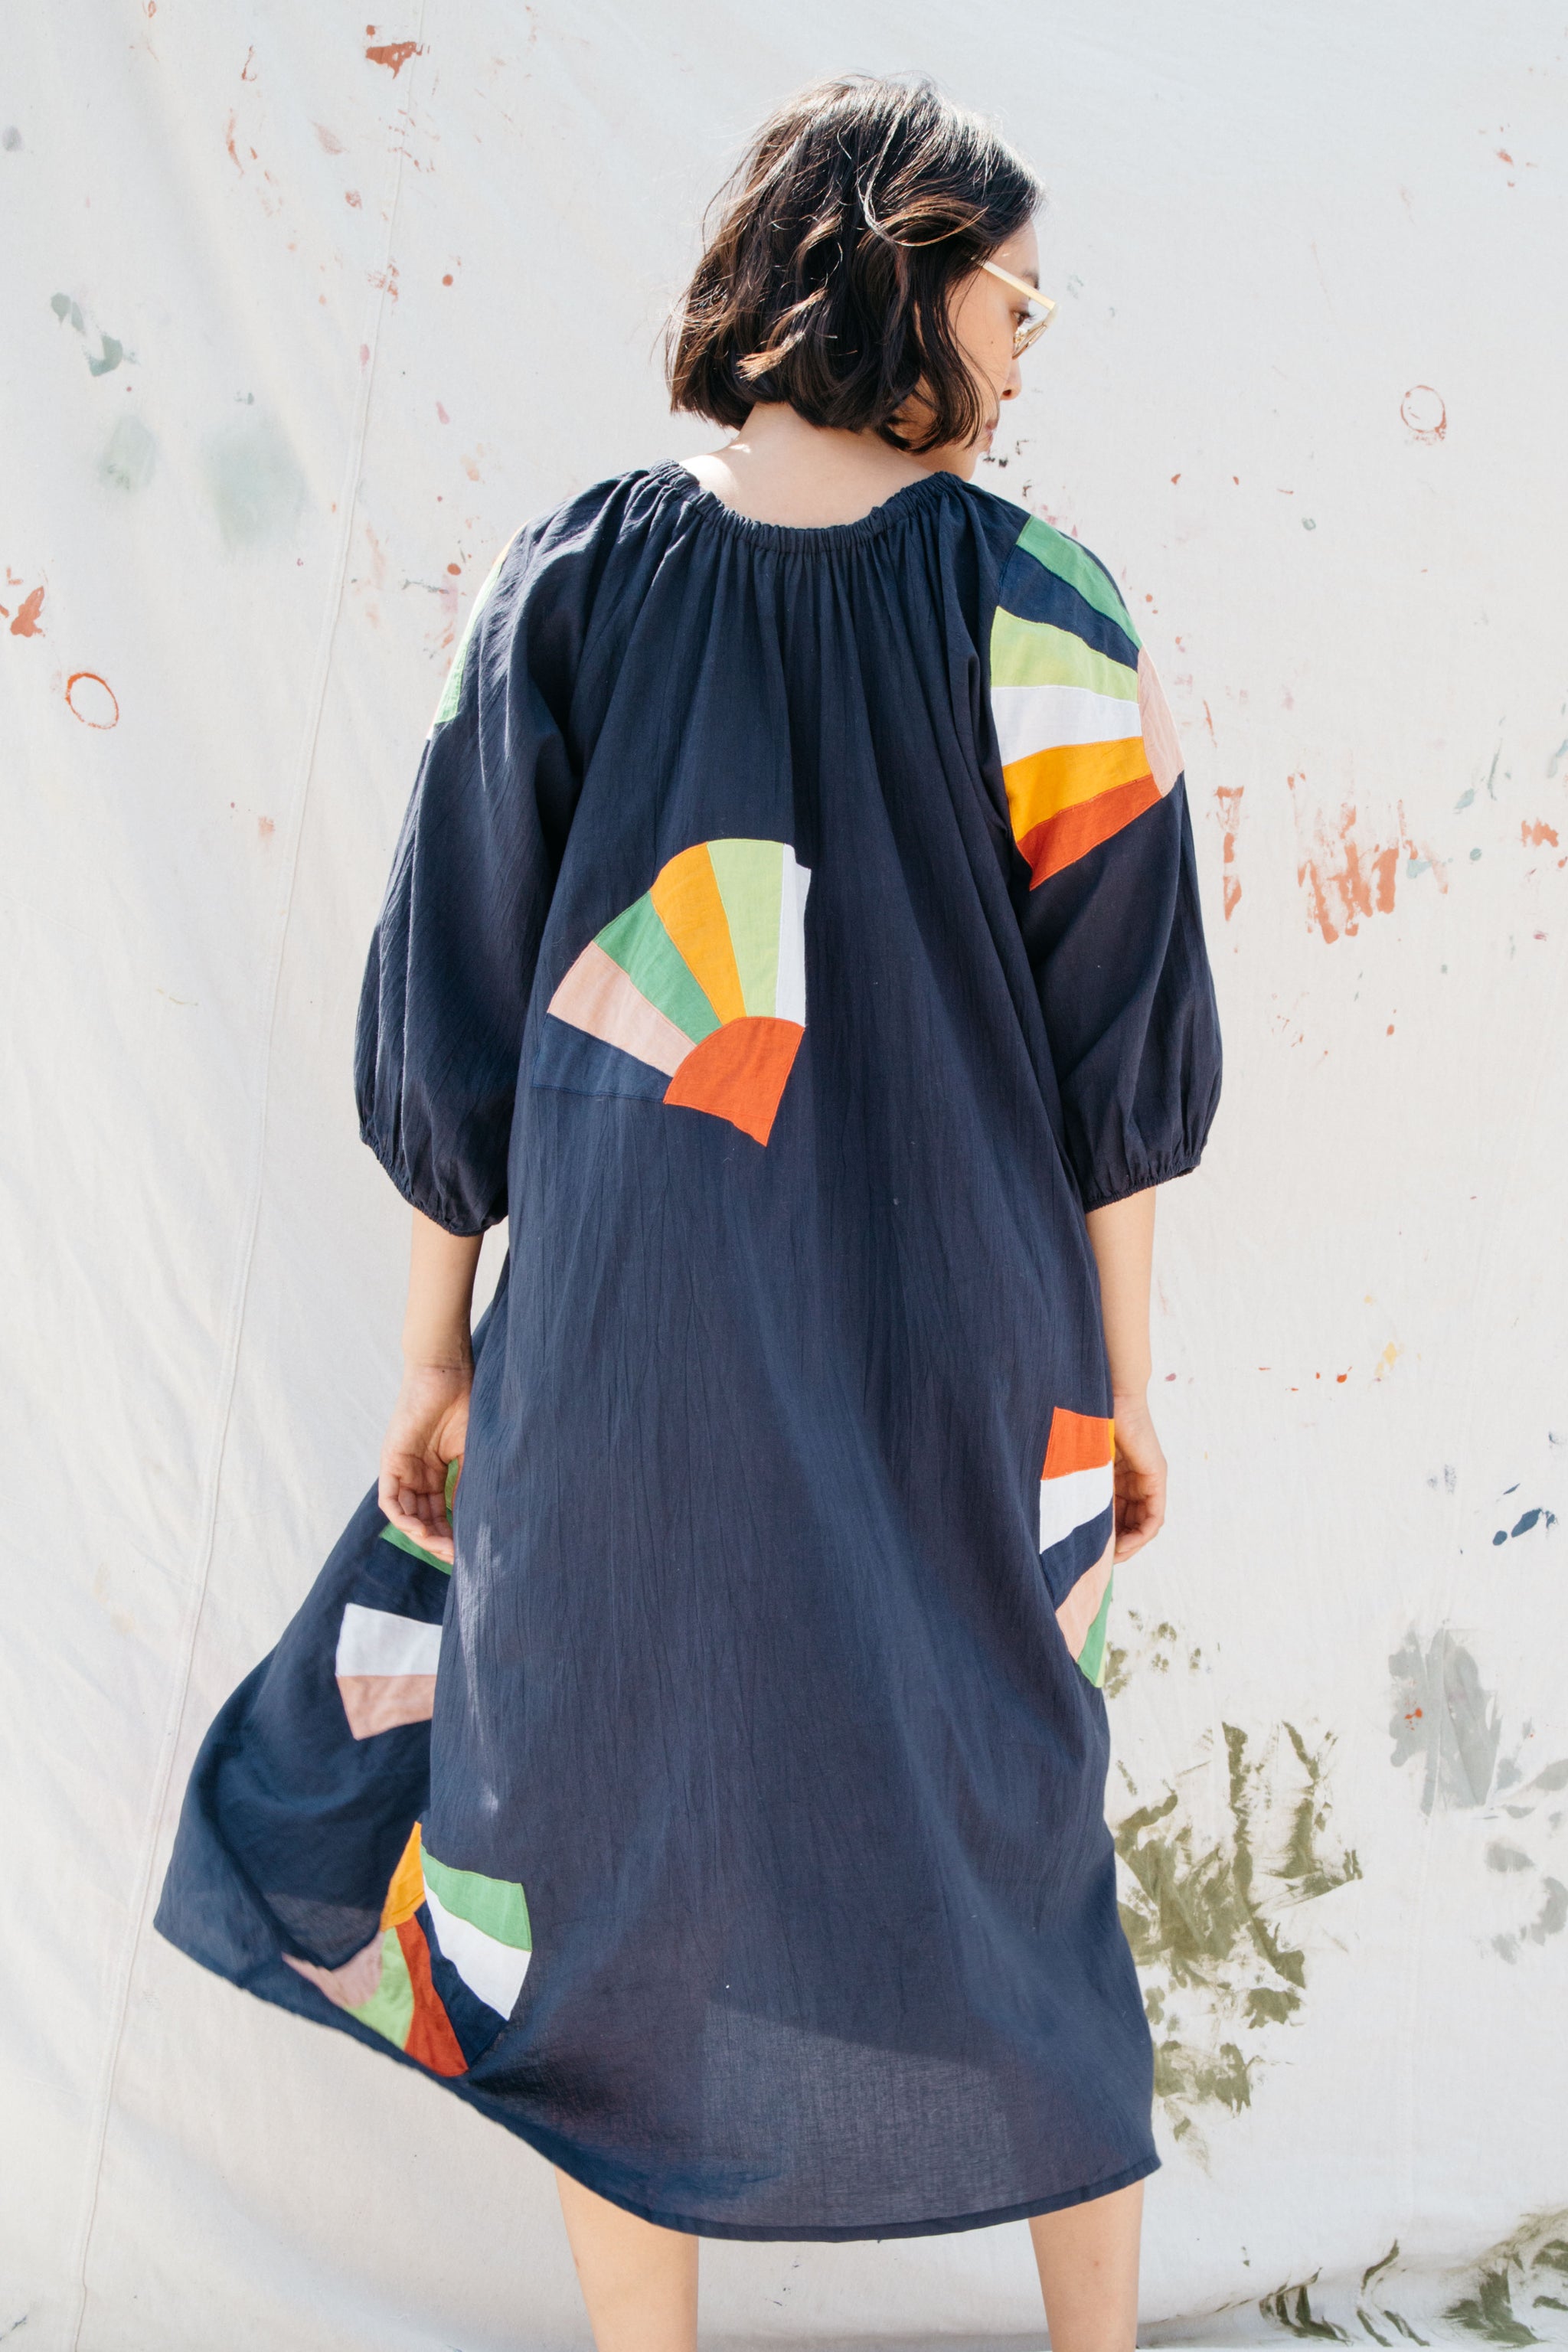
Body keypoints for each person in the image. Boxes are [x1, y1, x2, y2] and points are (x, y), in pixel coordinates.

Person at [158, 72, 1221, 2352]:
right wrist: (1128, 1388)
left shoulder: (571, 579)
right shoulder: (1042, 604)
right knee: (1015, 1836)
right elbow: (1120, 1041)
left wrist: (436, 1348)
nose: (1027, 352)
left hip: (627, 1348)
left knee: (599, 1860)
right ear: (905, 273)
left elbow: (453, 993)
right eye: (1016, 303)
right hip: (970, 1341)